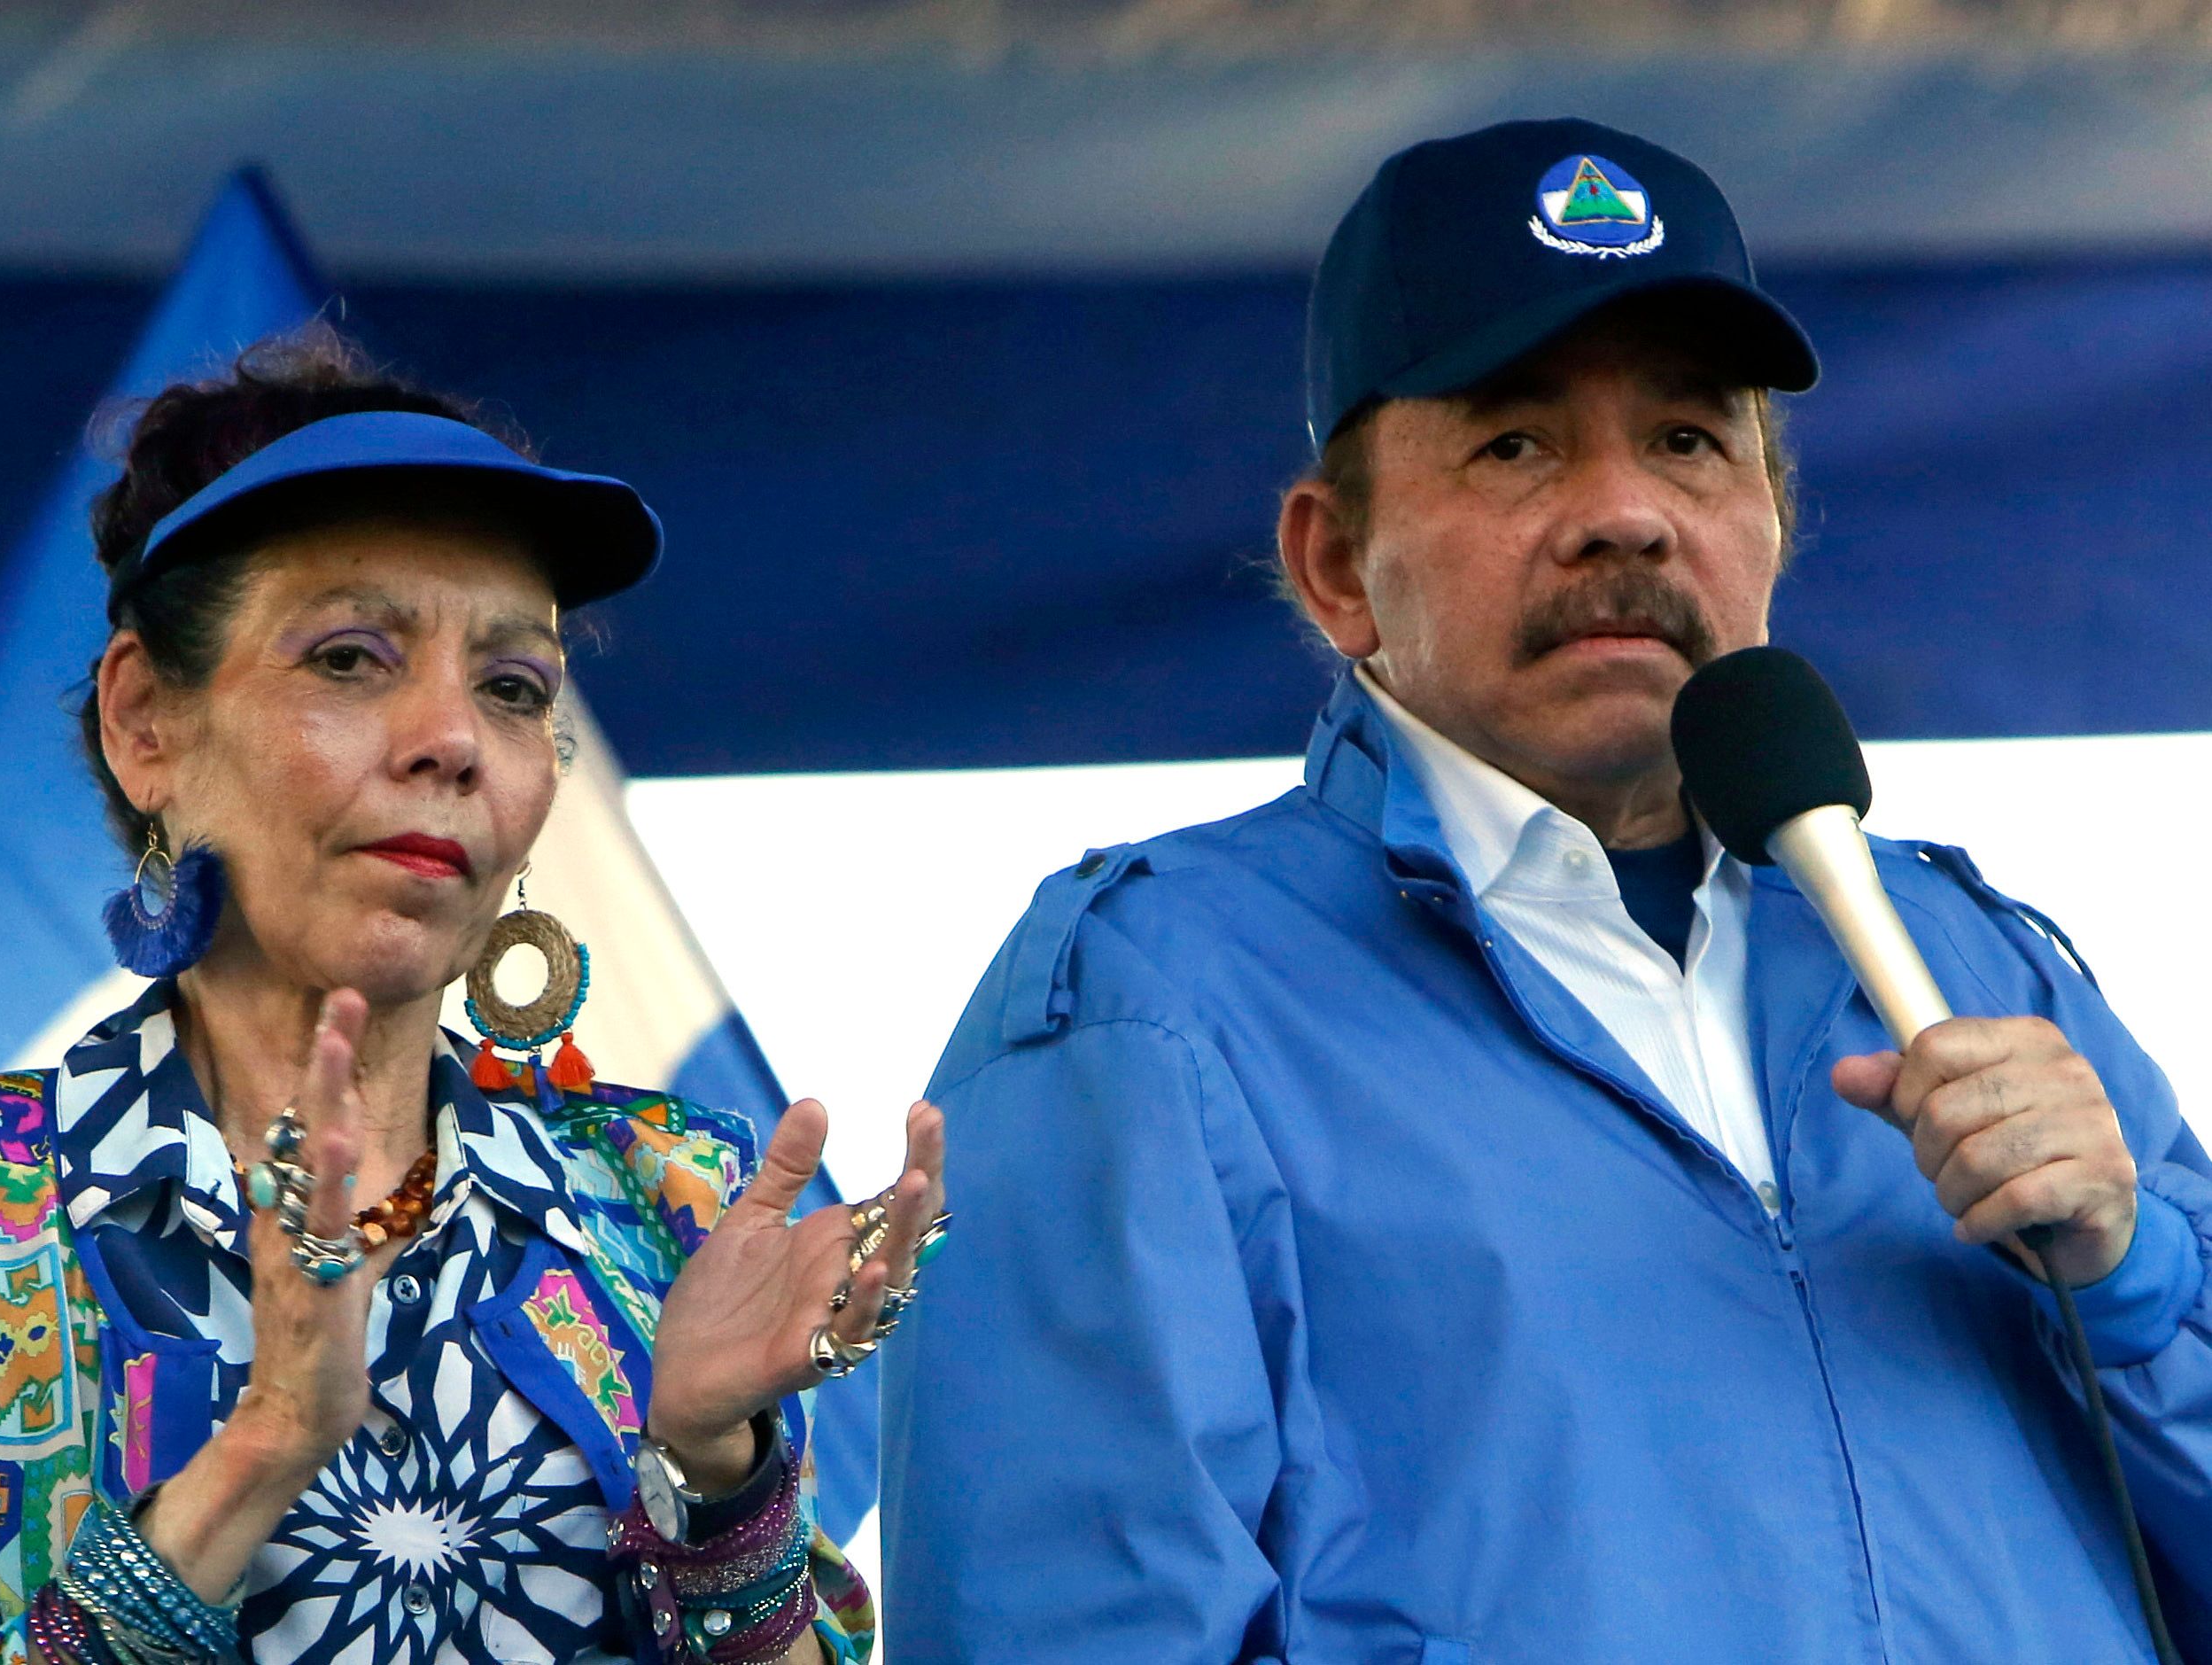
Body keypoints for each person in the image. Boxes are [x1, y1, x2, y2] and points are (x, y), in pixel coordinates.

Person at [881, 118, 2212, 1662]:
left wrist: (2133, 1282)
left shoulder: (1979, 964)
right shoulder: (1147, 994)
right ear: (1333, 567)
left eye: (1690, 442)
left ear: (1768, 525)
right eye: (1514, 443)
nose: (1623, 513)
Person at [0, 328, 944, 1665]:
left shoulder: (670, 1189)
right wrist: (262, 1447)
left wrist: (717, 1467)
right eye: (347, 659)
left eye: (511, 688)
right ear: (145, 721)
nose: (448, 740)